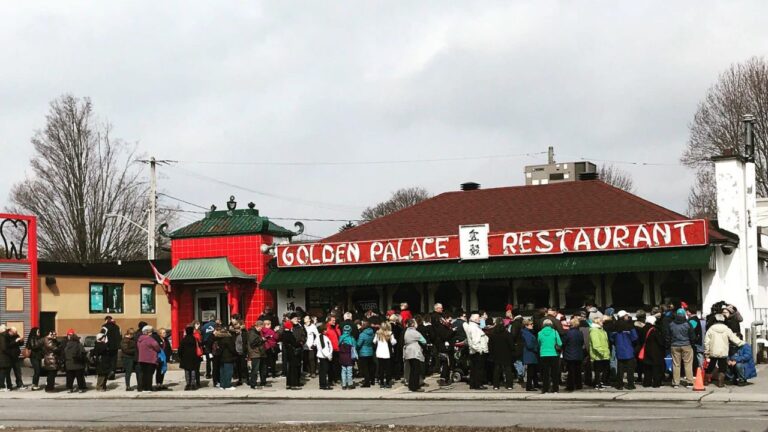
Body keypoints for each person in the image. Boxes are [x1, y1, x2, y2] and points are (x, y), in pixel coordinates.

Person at [704, 313, 744, 387]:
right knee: (722, 368)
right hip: (723, 351)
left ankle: (706, 381)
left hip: (713, 351)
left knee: (710, 366)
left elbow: (706, 342)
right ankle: (721, 383)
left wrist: (707, 351)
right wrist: (742, 343)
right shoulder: (727, 329)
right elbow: (733, 338)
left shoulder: (711, 329)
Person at [667, 308, 695, 388]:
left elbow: (668, 336)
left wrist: (668, 345)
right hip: (686, 345)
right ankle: (689, 382)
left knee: (676, 364)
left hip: (674, 345)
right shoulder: (688, 324)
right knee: (688, 364)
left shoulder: (671, 324)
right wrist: (692, 344)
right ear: (684, 315)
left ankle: (676, 383)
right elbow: (692, 336)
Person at [611, 311, 638, 390]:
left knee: (620, 369)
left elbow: (611, 338)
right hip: (628, 349)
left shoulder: (614, 326)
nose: (627, 317)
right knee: (630, 369)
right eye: (626, 315)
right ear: (623, 316)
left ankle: (619, 385)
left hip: (619, 350)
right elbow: (635, 337)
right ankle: (630, 385)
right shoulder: (629, 325)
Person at [640, 312, 666, 388]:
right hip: (655, 351)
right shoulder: (654, 329)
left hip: (646, 351)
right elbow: (660, 341)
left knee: (647, 368)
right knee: (656, 368)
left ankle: (646, 383)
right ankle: (656, 383)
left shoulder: (643, 329)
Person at [464, 312, 489, 390]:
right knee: (479, 369)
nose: (480, 319)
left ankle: (473, 384)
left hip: (474, 351)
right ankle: (478, 384)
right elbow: (475, 341)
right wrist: (480, 350)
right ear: (475, 319)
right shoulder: (474, 328)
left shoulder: (473, 327)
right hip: (478, 352)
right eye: (479, 318)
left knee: (474, 369)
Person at [488, 317, 515, 390]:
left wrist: (491, 353)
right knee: (508, 370)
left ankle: (496, 385)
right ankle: (509, 385)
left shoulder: (493, 334)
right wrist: (512, 351)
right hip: (506, 354)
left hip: (496, 354)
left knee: (496, 370)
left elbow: (490, 345)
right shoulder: (507, 334)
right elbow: (511, 345)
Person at [537, 319, 562, 394]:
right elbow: (560, 343)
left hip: (543, 354)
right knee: (554, 373)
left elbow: (539, 343)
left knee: (545, 373)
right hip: (554, 354)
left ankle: (545, 389)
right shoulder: (555, 332)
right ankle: (555, 389)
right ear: (551, 325)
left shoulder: (540, 333)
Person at [403, 319, 426, 392]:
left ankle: (411, 385)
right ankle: (416, 386)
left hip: (408, 351)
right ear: (413, 324)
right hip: (415, 352)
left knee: (412, 370)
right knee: (416, 370)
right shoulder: (415, 332)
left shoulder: (406, 332)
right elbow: (424, 341)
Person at [282, 313, 304, 390]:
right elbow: (293, 342)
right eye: (294, 318)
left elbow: (303, 336)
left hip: (293, 351)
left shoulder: (299, 327)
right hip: (292, 351)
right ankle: (293, 384)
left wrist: (301, 342)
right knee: (293, 368)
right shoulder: (288, 334)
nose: (296, 320)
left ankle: (291, 383)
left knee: (294, 368)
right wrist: (299, 343)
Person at [562, 317, 585, 392]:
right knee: (578, 371)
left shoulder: (568, 333)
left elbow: (564, 342)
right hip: (578, 353)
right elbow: (582, 342)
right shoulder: (580, 333)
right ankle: (579, 385)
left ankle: (570, 385)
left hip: (569, 354)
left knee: (571, 371)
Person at [137, 325, 161, 393]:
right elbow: (157, 347)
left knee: (144, 374)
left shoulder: (139, 339)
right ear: (148, 332)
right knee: (149, 374)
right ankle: (148, 388)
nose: (151, 333)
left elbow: (138, 348)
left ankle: (144, 387)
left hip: (142, 359)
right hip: (150, 359)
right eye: (151, 331)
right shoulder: (150, 339)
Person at [373, 321, 397, 388]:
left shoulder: (378, 333)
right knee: (388, 368)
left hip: (379, 353)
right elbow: (393, 342)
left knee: (381, 368)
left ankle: (381, 383)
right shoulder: (390, 333)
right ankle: (388, 382)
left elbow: (374, 341)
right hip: (387, 353)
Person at [589, 316, 610, 390]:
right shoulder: (594, 330)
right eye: (601, 321)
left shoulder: (601, 330)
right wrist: (602, 352)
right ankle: (597, 384)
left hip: (604, 353)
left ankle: (601, 383)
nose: (602, 322)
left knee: (604, 369)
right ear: (597, 322)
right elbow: (596, 344)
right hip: (598, 355)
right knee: (598, 370)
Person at [178, 326, 202, 390]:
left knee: (187, 371)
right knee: (193, 370)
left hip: (185, 357)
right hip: (194, 357)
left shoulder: (184, 340)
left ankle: (188, 384)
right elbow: (199, 346)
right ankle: (193, 384)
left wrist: (180, 356)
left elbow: (180, 349)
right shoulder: (195, 339)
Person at [214, 325, 237, 390]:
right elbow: (232, 349)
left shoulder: (219, 339)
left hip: (221, 357)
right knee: (228, 372)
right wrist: (236, 353)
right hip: (228, 357)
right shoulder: (228, 339)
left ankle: (222, 385)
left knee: (222, 372)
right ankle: (227, 385)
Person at [247, 321, 268, 389]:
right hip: (255, 353)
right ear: (257, 326)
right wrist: (261, 339)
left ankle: (263, 382)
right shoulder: (252, 332)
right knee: (255, 369)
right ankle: (253, 384)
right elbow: (253, 343)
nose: (261, 329)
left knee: (263, 368)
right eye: (260, 327)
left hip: (260, 352)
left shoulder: (257, 332)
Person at [521, 318, 539, 391]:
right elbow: (529, 345)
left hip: (530, 354)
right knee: (531, 371)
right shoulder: (527, 333)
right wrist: (536, 348)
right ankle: (529, 386)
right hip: (530, 354)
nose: (532, 325)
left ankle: (534, 384)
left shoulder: (527, 332)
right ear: (526, 325)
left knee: (532, 370)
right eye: (531, 324)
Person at [101, 316, 121, 380]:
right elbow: (120, 336)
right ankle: (112, 374)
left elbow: (102, 336)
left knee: (107, 361)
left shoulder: (104, 327)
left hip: (107, 347)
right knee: (113, 361)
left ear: (106, 320)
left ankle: (107, 374)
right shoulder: (117, 327)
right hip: (115, 347)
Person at [356, 320, 375, 387]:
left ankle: (367, 382)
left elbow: (359, 344)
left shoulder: (362, 334)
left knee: (365, 368)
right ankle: (372, 380)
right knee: (370, 367)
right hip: (370, 351)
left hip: (363, 353)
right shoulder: (372, 333)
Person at [315, 323, 333, 390]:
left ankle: (322, 384)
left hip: (322, 356)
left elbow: (315, 344)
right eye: (325, 330)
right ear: (322, 330)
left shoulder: (319, 337)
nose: (326, 331)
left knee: (322, 371)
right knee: (324, 371)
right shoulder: (322, 337)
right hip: (324, 356)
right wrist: (328, 356)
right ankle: (324, 384)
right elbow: (324, 348)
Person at [338, 324, 357, 390]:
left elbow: (338, 345)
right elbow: (355, 347)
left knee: (343, 370)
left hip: (342, 356)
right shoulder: (351, 338)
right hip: (349, 356)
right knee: (349, 371)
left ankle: (343, 385)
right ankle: (350, 384)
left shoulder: (341, 337)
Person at [326, 316, 342, 384]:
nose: (334, 322)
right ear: (329, 321)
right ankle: (331, 379)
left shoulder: (337, 328)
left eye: (334, 320)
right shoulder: (327, 329)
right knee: (331, 365)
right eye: (332, 320)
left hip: (338, 349)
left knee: (337, 365)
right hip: (331, 349)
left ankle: (337, 378)